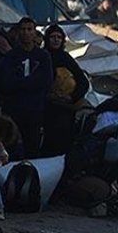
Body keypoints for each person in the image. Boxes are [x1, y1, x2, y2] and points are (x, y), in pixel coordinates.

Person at [0, 18, 54, 159]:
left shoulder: (43, 56)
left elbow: (46, 80)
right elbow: (6, 81)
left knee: (32, 146)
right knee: (11, 145)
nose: (26, 33)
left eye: (29, 29)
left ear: (34, 32)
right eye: (23, 29)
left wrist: (25, 84)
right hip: (14, 108)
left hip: (34, 109)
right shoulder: (11, 56)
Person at [42, 24, 90, 157]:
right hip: (45, 107)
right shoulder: (41, 56)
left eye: (59, 37)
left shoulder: (65, 58)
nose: (56, 40)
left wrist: (72, 97)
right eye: (52, 37)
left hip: (64, 107)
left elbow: (82, 81)